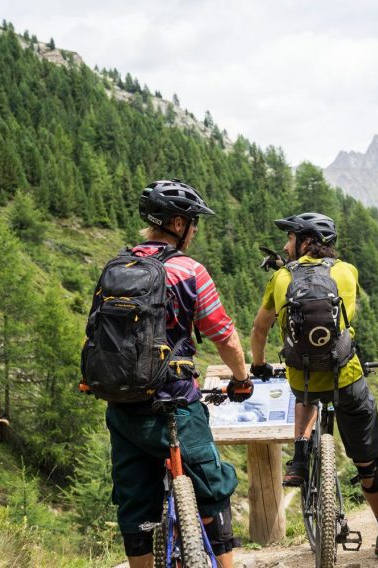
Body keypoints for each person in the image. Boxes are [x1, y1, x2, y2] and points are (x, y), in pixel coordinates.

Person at [101, 179, 253, 568]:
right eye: (193, 222)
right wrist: (241, 379)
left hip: (123, 405)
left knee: (136, 505)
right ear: (177, 224)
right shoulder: (189, 270)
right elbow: (225, 337)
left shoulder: (115, 267)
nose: (195, 230)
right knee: (212, 489)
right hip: (174, 406)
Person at [249, 212, 378, 558]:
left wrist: (258, 365)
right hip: (346, 379)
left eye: (290, 239)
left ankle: (300, 455)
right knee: (368, 462)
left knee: (304, 386)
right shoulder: (347, 272)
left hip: (302, 379)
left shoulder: (281, 277)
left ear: (304, 241)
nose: (286, 246)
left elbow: (260, 331)